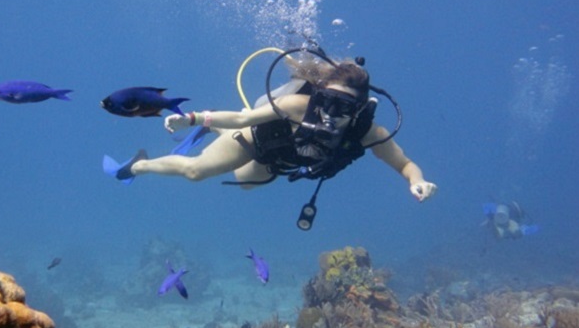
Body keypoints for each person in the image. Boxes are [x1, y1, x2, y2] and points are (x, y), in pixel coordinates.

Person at [104, 51, 437, 209]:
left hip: (277, 161)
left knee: (246, 185)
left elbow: (406, 165)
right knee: (195, 171)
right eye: (329, 103)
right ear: (319, 96)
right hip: (254, 138)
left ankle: (214, 133)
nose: (333, 115)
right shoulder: (298, 106)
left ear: (361, 109)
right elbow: (239, 119)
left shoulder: (369, 134)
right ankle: (137, 165)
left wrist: (417, 181)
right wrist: (189, 118)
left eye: (345, 108)